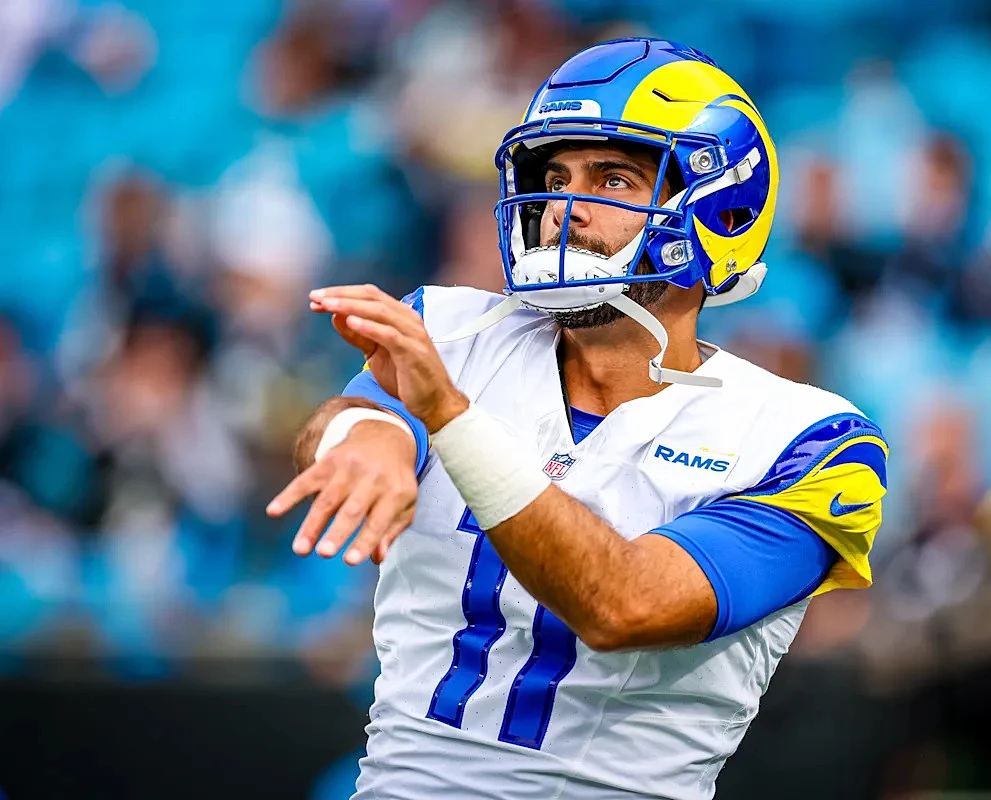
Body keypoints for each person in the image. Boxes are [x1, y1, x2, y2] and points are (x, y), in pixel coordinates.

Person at [268, 38, 888, 800]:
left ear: (720, 208)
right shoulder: (456, 331)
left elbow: (623, 605)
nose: (565, 207)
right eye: (556, 178)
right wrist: (364, 440)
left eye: (613, 178)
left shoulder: (808, 443)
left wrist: (449, 421)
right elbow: (357, 417)